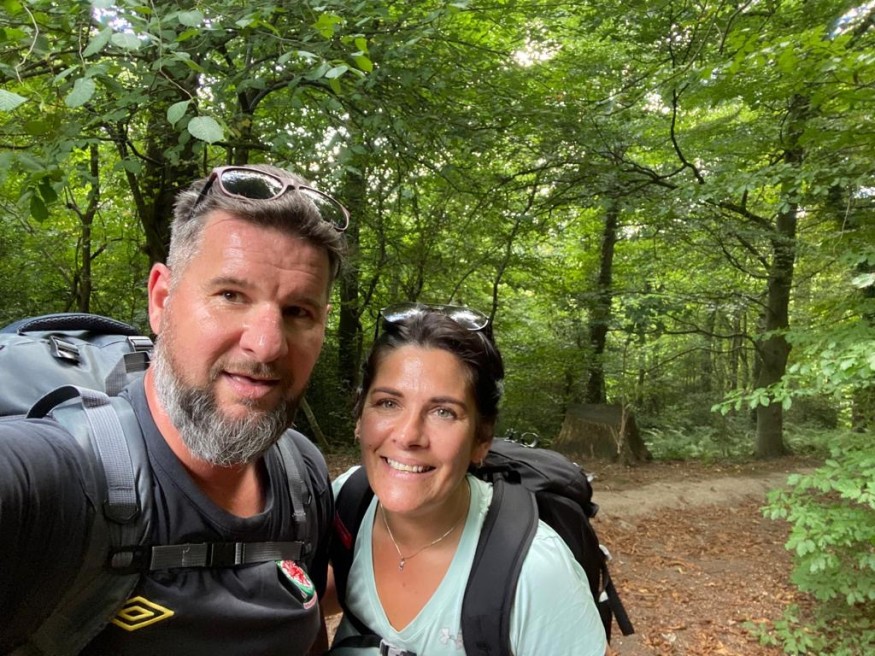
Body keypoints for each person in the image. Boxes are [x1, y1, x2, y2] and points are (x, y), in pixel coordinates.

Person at [0, 164, 348, 655]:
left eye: (298, 312)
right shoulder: (58, 476)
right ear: (161, 300)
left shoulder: (302, 475)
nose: (267, 344)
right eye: (231, 295)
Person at [328, 303, 607, 655]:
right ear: (359, 417)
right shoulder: (349, 500)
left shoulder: (536, 571)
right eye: (388, 403)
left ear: (481, 439)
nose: (408, 435)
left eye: (444, 412)